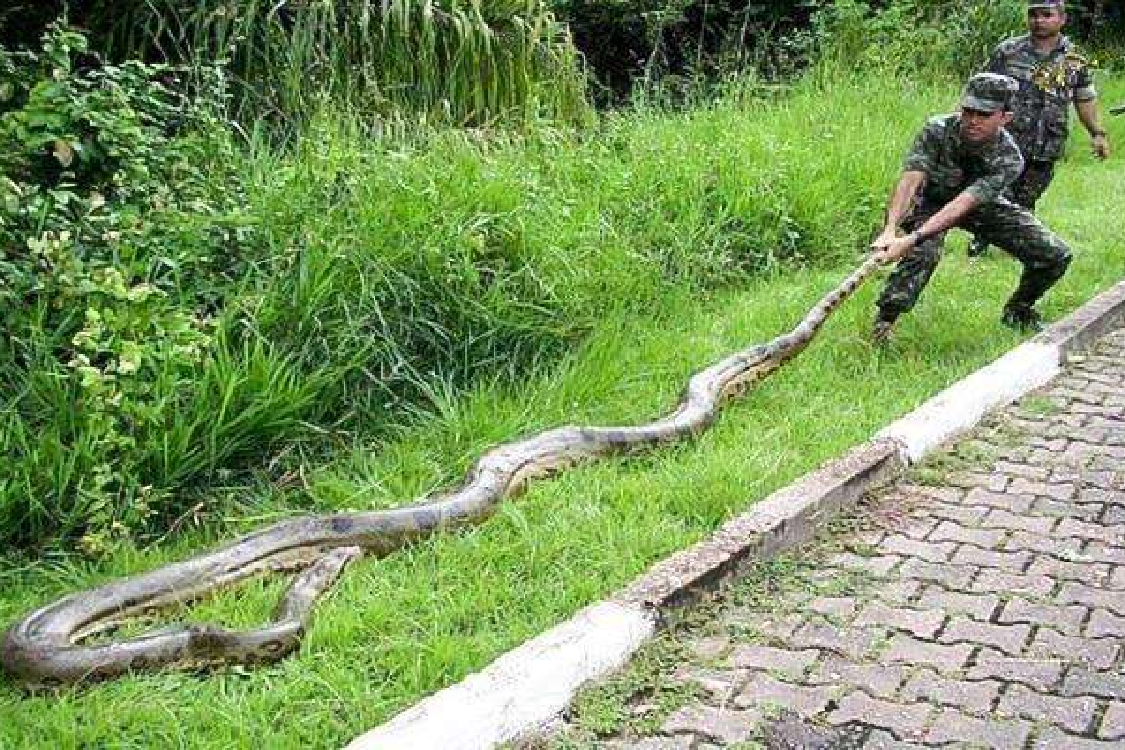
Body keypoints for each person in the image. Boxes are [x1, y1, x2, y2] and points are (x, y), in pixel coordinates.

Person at [871, 72, 1072, 344]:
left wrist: (911, 238)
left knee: (1054, 254)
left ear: (1005, 118)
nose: (973, 120)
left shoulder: (1009, 158)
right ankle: (885, 323)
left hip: (978, 205)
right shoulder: (936, 129)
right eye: (969, 111)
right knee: (924, 253)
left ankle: (1018, 311)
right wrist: (890, 230)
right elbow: (910, 180)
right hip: (930, 201)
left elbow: (965, 203)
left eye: (984, 114)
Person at [968, 0, 1109, 257]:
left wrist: (1097, 133)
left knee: (1027, 198)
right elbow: (980, 90)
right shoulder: (1008, 51)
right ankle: (983, 237)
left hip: (1047, 142)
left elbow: (1084, 97)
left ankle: (1017, 243)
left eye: (1047, 15)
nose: (1039, 20)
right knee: (997, 190)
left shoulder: (1074, 58)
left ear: (1062, 19)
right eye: (1034, 15)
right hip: (1006, 138)